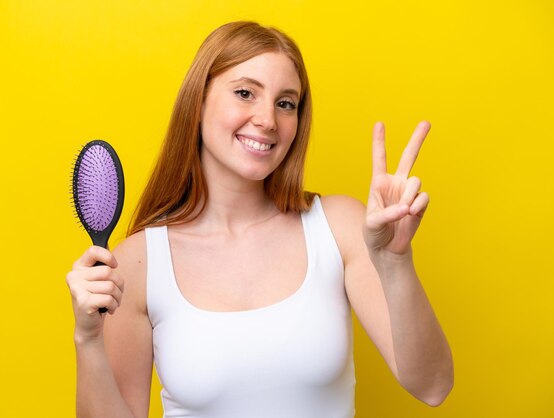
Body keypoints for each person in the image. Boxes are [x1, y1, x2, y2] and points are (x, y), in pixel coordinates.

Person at [66, 21, 454, 418]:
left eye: (286, 103)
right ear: (197, 102)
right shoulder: (138, 261)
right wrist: (88, 338)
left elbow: (433, 385)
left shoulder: (339, 227)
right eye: (245, 93)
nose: (268, 119)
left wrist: (394, 262)